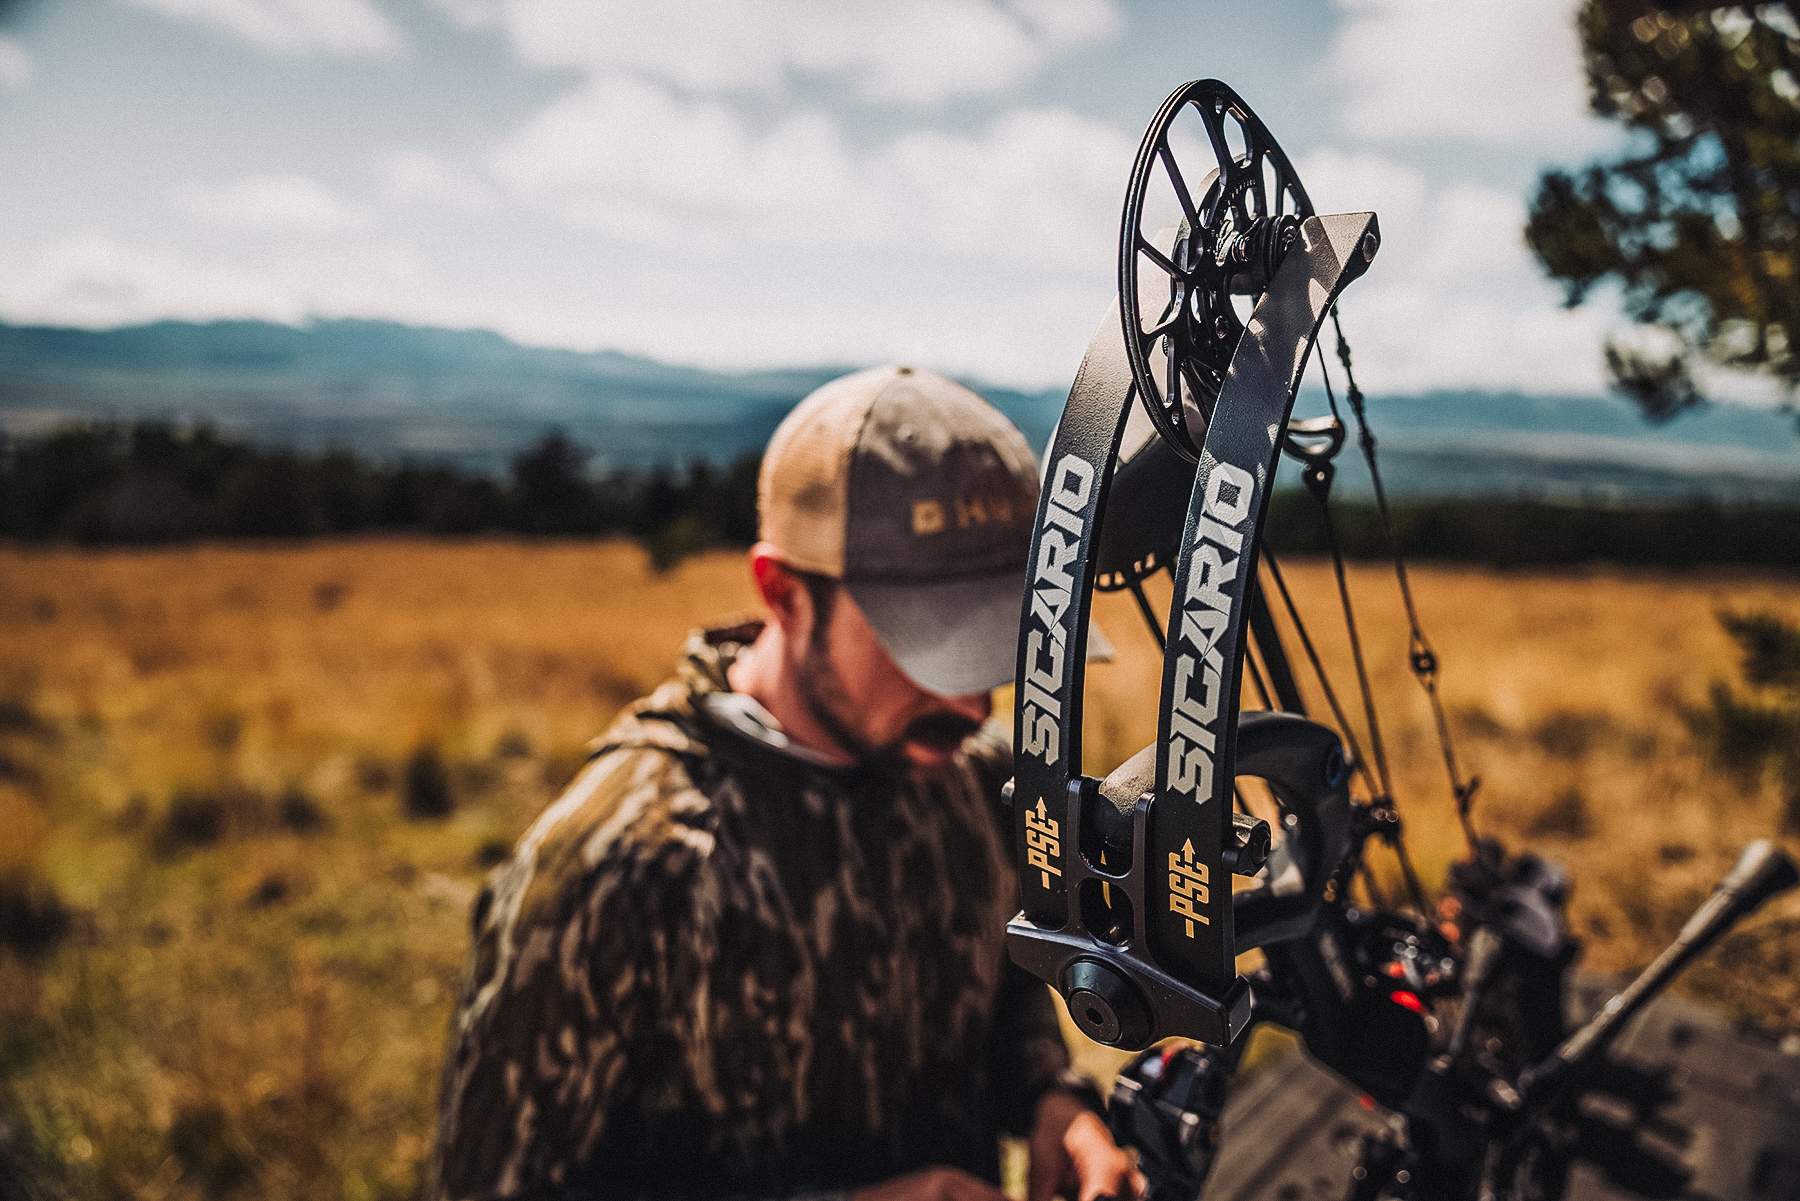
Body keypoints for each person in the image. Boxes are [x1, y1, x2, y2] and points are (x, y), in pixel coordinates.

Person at [428, 366, 1140, 1201]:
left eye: (992, 643)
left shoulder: (978, 781)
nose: (971, 702)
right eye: (927, 646)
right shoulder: (614, 866)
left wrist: (1056, 1101)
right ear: (783, 593)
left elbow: (1000, 992)